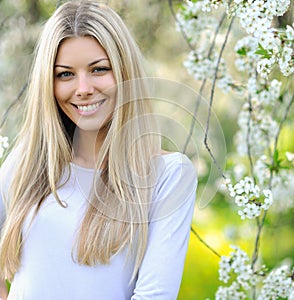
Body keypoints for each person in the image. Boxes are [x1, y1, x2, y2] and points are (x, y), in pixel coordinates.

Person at [0, 1, 197, 299]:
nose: (83, 88)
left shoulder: (168, 176)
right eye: (65, 74)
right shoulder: (28, 160)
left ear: (124, 72)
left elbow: (155, 294)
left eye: (99, 69)